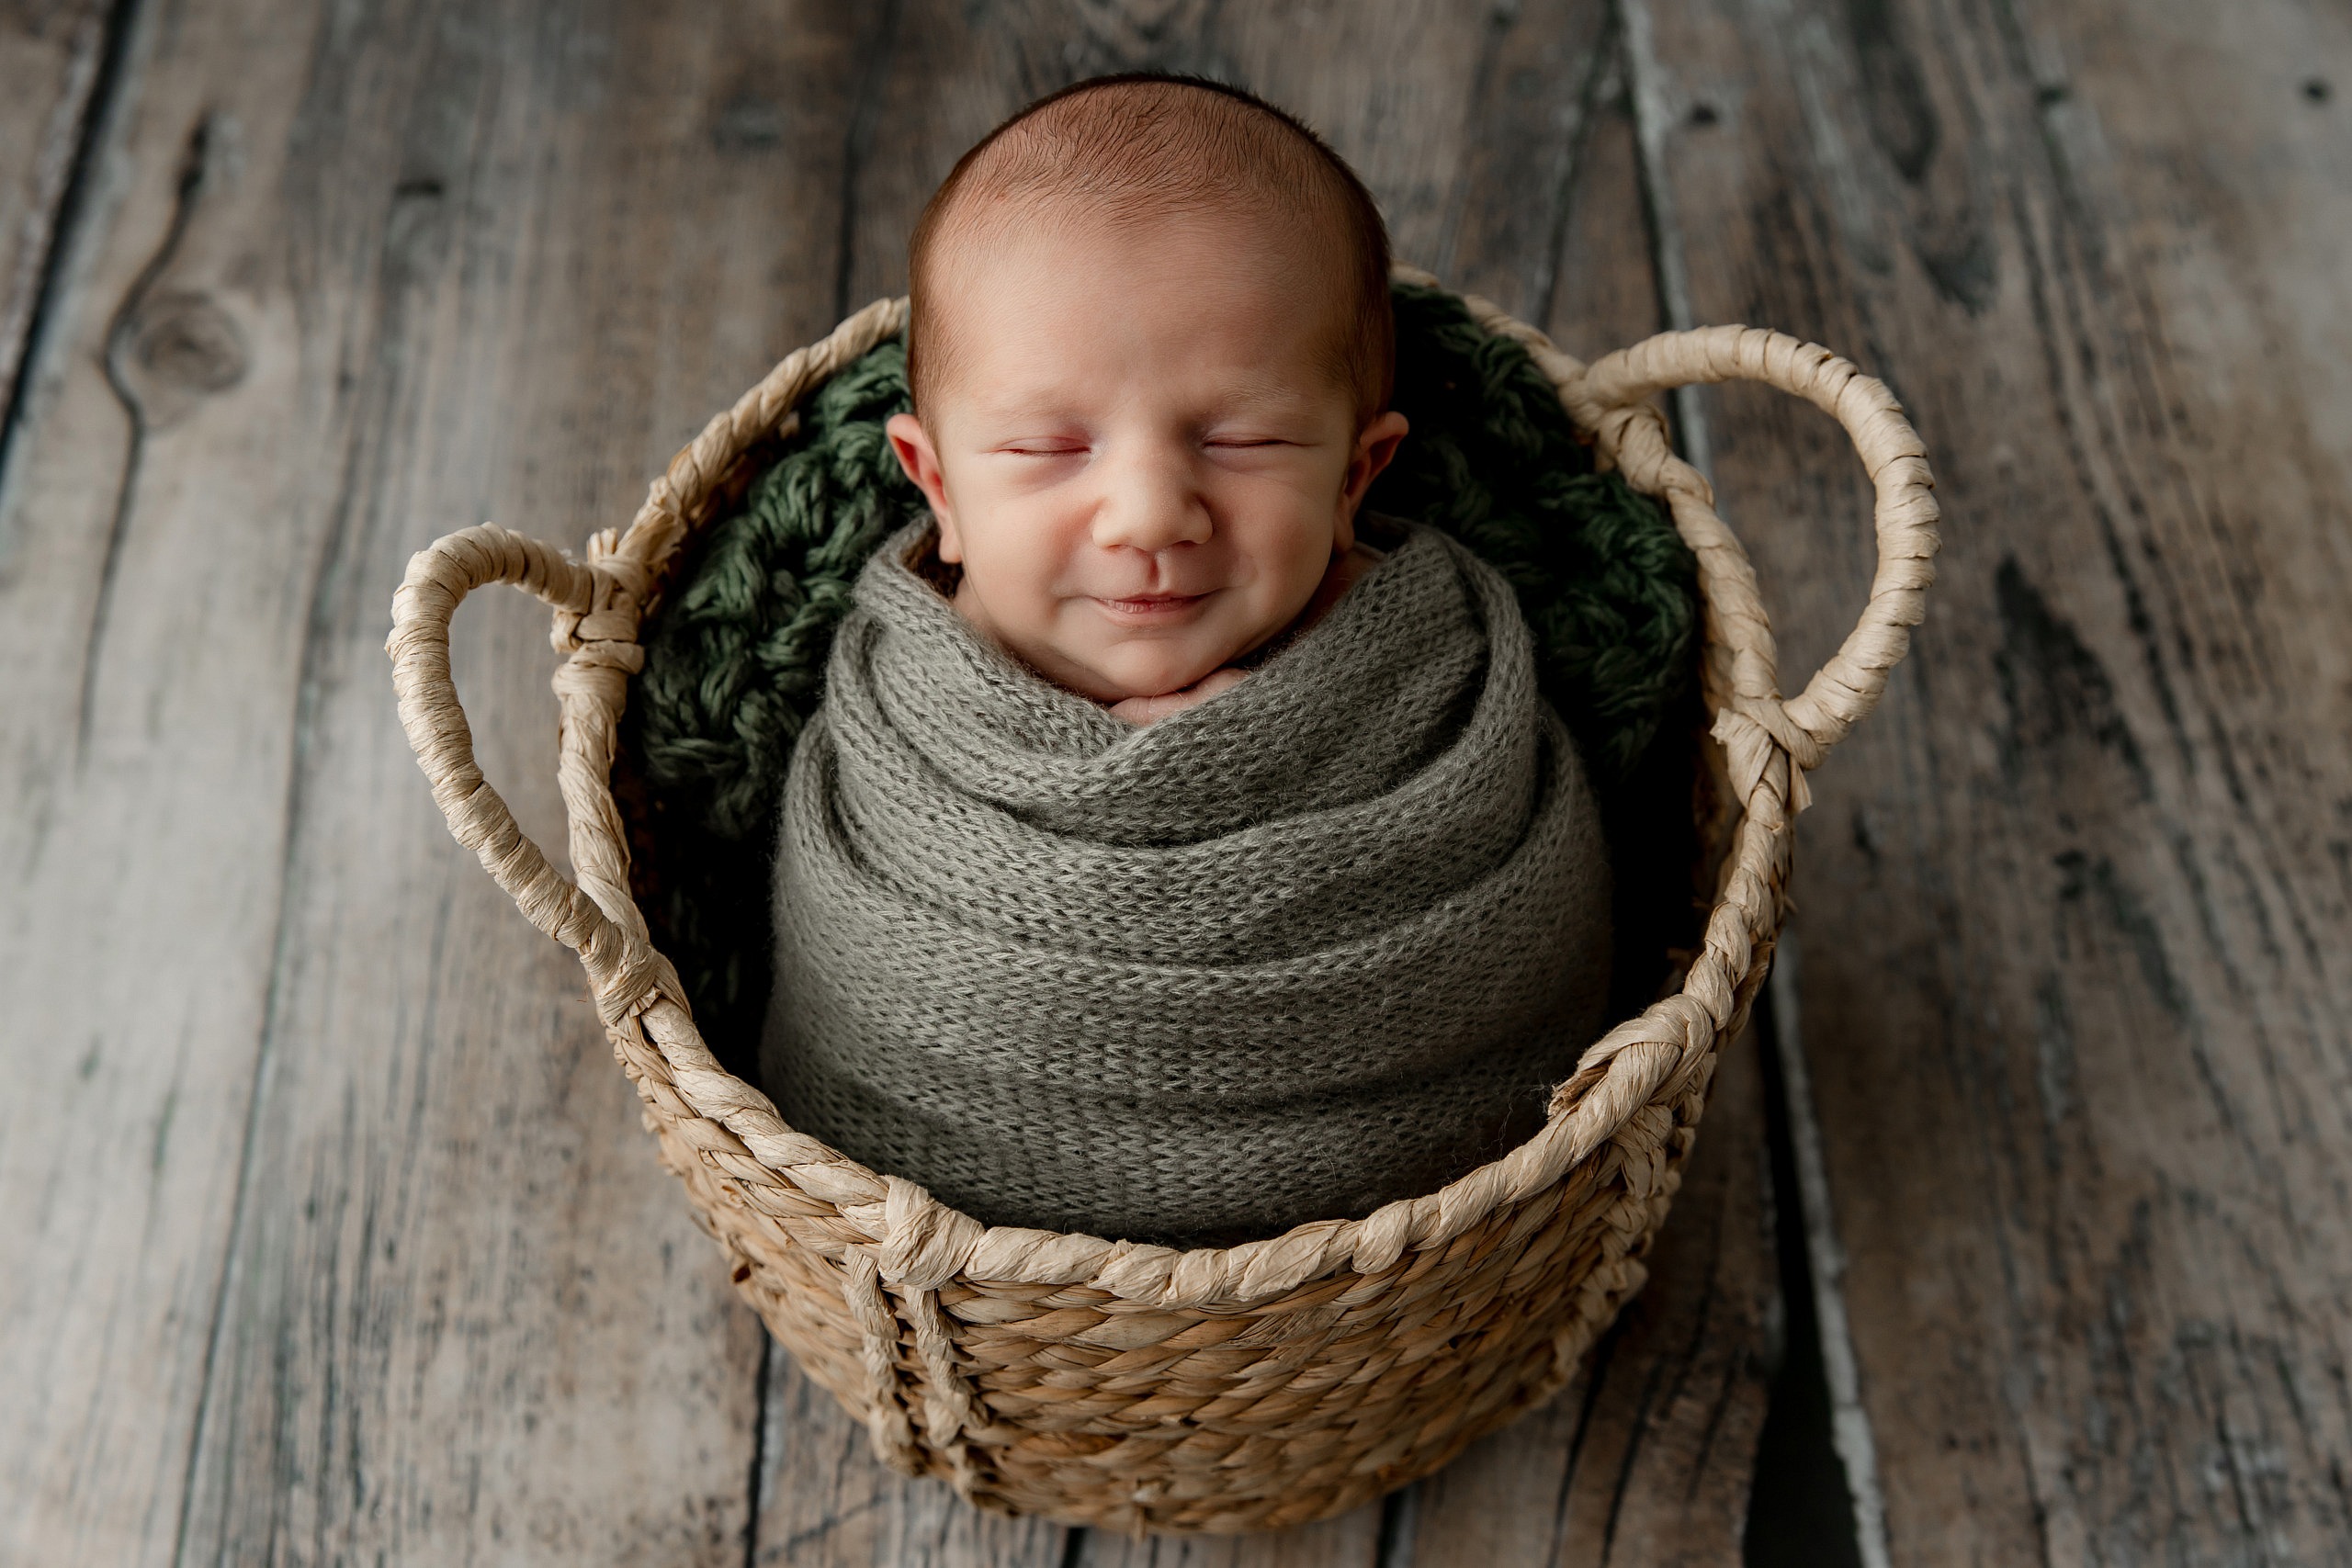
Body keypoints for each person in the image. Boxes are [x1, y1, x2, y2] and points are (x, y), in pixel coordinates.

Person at [761, 74, 1612, 1247]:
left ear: (1356, 478)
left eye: (1244, 439)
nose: (1150, 515)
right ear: (939, 490)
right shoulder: (913, 698)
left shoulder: (1422, 670)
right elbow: (855, 965)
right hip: (945, 1226)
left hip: (1403, 1229)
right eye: (1050, 447)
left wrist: (1266, 742)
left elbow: (1513, 941)